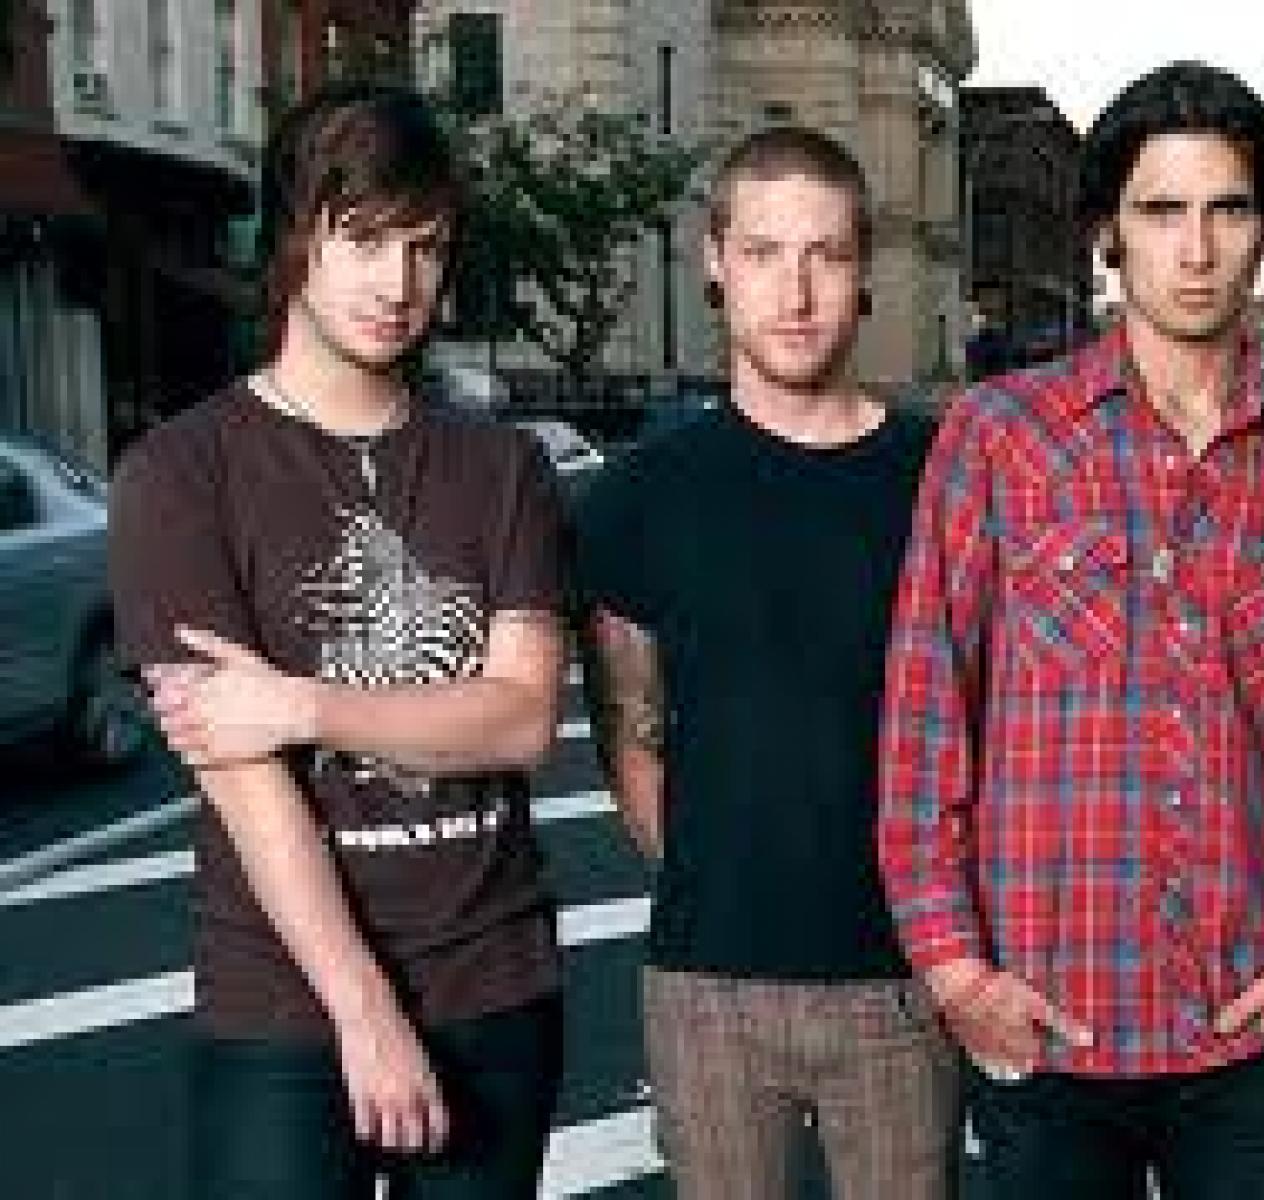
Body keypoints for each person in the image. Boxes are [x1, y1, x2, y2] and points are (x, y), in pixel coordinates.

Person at [878, 60, 1264, 1199]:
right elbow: (926, 724)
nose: (1195, 249)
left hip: (1250, 1027)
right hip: (1045, 1021)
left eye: (1228, 209)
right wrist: (956, 973)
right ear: (1108, 232)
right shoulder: (997, 439)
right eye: (1161, 211)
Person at [108, 85, 566, 1198]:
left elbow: (520, 720)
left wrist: (301, 704)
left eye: (427, 247)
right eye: (362, 239)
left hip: (493, 983)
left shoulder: (500, 467)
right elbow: (241, 776)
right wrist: (363, 1009)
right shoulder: (180, 475)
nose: (398, 283)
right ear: (293, 238)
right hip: (280, 1003)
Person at [572, 127, 959, 1200]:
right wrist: (727, 883)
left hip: (904, 981)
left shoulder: (942, 477)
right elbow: (630, 735)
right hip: (708, 981)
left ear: (863, 269)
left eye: (825, 255)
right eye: (762, 253)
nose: (794, 292)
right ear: (714, 260)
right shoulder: (640, 494)